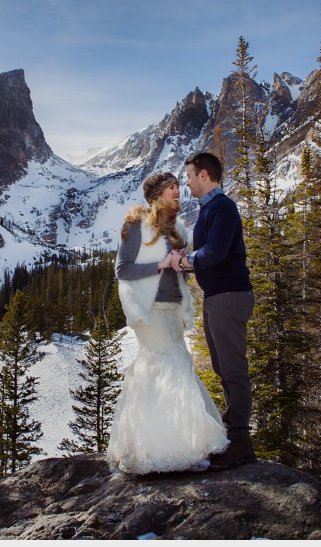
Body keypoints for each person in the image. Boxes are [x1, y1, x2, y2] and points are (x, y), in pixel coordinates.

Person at [106, 171, 229, 475]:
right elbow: (123, 270)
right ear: (157, 194)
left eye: (178, 186)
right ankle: (179, 449)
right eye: (172, 188)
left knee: (173, 366)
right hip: (150, 311)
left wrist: (183, 263)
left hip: (172, 309)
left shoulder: (179, 230)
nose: (178, 192)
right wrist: (161, 264)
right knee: (172, 366)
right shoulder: (138, 226)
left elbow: (185, 270)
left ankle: (157, 446)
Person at [172, 152, 257, 471]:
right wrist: (189, 258)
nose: (188, 182)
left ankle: (240, 443)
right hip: (219, 295)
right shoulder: (213, 208)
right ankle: (230, 433)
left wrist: (184, 261)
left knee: (233, 369)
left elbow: (216, 251)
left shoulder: (222, 207)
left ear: (204, 175)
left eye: (190, 176)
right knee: (223, 366)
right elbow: (210, 252)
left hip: (228, 295)